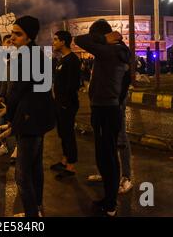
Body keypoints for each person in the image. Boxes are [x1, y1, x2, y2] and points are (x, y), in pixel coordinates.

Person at [74, 19, 131, 217]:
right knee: (107, 155)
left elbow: (79, 39)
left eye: (96, 36)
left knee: (106, 157)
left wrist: (102, 39)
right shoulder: (119, 52)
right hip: (110, 108)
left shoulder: (109, 51)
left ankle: (110, 204)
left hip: (105, 110)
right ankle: (109, 199)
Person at [7, 16, 56, 217]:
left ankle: (31, 216)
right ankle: (36, 208)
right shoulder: (39, 55)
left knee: (22, 174)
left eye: (18, 34)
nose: (12, 38)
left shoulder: (25, 58)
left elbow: (16, 92)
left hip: (28, 121)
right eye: (12, 33)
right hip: (39, 119)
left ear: (29, 37)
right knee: (35, 167)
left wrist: (11, 118)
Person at [50, 31, 81, 179]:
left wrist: (64, 103)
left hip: (67, 104)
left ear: (63, 42)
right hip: (59, 103)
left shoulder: (72, 60)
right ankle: (64, 160)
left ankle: (71, 166)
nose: (53, 42)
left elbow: (73, 85)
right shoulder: (61, 60)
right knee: (62, 133)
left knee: (68, 134)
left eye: (56, 40)